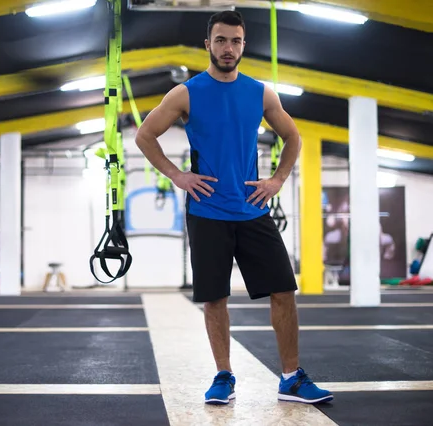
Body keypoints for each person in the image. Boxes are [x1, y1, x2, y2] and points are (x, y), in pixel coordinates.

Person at [134, 11, 333, 405]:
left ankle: (291, 378)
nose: (229, 48)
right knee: (215, 298)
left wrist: (277, 180)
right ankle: (224, 375)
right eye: (221, 40)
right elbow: (145, 136)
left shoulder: (261, 93)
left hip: (253, 209)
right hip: (207, 212)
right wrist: (178, 175)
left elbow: (292, 137)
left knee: (283, 291)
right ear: (207, 44)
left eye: (236, 41)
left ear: (244, 45)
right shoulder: (186, 93)